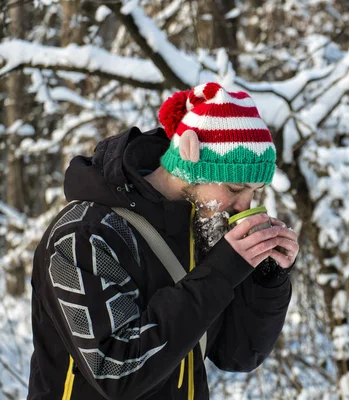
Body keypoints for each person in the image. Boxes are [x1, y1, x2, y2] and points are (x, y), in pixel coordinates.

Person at [27, 82, 298, 400]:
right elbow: (117, 371)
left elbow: (238, 354)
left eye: (256, 191)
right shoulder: (83, 236)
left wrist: (266, 281)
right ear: (190, 158)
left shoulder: (200, 229)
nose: (245, 206)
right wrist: (221, 273)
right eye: (236, 186)